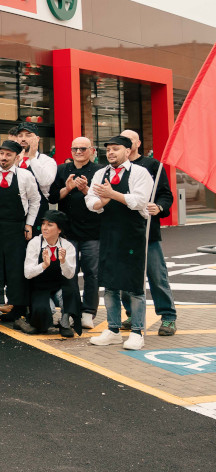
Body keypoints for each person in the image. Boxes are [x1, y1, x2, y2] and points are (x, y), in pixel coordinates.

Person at [86, 135, 154, 350]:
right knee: (110, 284)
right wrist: (101, 202)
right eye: (108, 150)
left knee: (134, 286)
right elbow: (90, 201)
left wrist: (112, 194)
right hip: (108, 232)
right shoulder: (100, 173)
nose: (111, 153)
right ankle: (113, 330)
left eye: (116, 149)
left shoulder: (140, 172)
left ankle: (137, 332)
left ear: (128, 150)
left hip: (132, 233)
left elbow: (139, 201)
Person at [0, 139, 41, 328]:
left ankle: (19, 313)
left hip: (16, 229)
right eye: (1, 154)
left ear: (17, 157)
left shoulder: (26, 176)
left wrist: (29, 224)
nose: (4, 158)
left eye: (8, 155)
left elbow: (35, 201)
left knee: (16, 271)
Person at [123, 129, 177, 336]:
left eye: (130, 140)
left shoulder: (153, 165)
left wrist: (159, 207)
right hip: (124, 233)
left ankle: (168, 317)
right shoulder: (114, 168)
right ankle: (131, 314)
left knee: (157, 276)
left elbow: (165, 195)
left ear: (137, 143)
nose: (126, 143)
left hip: (147, 232)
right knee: (125, 278)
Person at [48, 136, 102, 329]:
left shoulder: (99, 171)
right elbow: (53, 196)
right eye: (75, 149)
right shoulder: (62, 169)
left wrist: (86, 190)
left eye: (83, 149)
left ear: (91, 150)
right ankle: (70, 310)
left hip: (92, 231)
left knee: (92, 273)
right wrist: (68, 187)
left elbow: (103, 198)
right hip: (68, 232)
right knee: (67, 273)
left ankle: (88, 311)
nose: (78, 152)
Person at [24, 211, 82, 337]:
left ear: (59, 229)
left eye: (50, 225)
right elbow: (27, 273)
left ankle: (65, 322)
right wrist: (43, 265)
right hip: (41, 287)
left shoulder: (67, 246)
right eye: (43, 224)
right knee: (44, 313)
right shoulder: (35, 243)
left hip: (60, 287)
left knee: (72, 290)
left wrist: (63, 261)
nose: (44, 228)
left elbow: (70, 274)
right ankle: (44, 319)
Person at [13, 123, 56, 225]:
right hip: (14, 214)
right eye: (20, 135)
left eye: (28, 135)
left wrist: (32, 157)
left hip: (38, 214)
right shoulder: (11, 160)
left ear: (37, 139)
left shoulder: (46, 161)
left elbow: (45, 181)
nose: (23, 139)